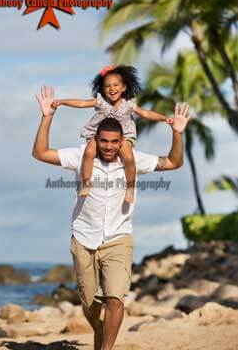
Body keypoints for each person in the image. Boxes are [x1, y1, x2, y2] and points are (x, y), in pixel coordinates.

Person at [32, 86, 190, 350]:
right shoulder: (82, 156)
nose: (108, 146)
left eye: (114, 142)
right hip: (84, 238)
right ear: (96, 139)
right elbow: (40, 153)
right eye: (103, 141)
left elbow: (173, 162)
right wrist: (47, 116)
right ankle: (98, 328)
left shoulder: (134, 159)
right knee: (90, 305)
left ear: (122, 141)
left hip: (119, 238)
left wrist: (176, 133)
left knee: (116, 299)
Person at [51, 65, 173, 204]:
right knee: (89, 152)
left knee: (128, 156)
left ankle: (131, 188)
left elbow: (145, 113)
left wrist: (164, 118)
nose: (112, 88)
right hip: (99, 134)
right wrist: (62, 102)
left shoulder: (128, 104)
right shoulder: (100, 102)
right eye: (107, 86)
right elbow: (81, 103)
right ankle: (86, 182)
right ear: (103, 89)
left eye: (115, 85)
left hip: (124, 135)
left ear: (124, 87)